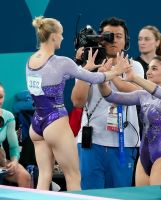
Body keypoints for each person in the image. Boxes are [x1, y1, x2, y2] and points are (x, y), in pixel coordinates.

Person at [27, 16, 129, 191]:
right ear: (53, 36)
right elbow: (96, 78)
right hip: (55, 122)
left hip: (36, 123)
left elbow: (58, 78)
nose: (63, 38)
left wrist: (84, 67)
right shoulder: (62, 62)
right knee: (74, 176)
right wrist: (116, 72)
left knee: (44, 176)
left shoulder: (31, 60)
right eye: (61, 34)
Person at [71, 17, 144, 189]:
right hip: (91, 142)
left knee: (120, 195)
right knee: (90, 195)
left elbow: (136, 93)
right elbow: (77, 102)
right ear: (99, 39)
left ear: (126, 41)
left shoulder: (134, 67)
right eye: (109, 36)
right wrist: (86, 70)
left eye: (119, 36)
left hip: (124, 143)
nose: (114, 40)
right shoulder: (87, 66)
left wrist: (112, 73)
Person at [98, 56, 161, 186]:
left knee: (156, 197)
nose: (148, 72)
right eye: (148, 68)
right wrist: (102, 80)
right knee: (142, 196)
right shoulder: (143, 96)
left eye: (154, 69)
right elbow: (110, 96)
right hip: (143, 157)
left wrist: (135, 78)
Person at [0, 83, 31, 188]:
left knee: (24, 176)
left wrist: (14, 161)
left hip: (1, 160)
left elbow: (14, 146)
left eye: (0, 97)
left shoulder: (8, 116)